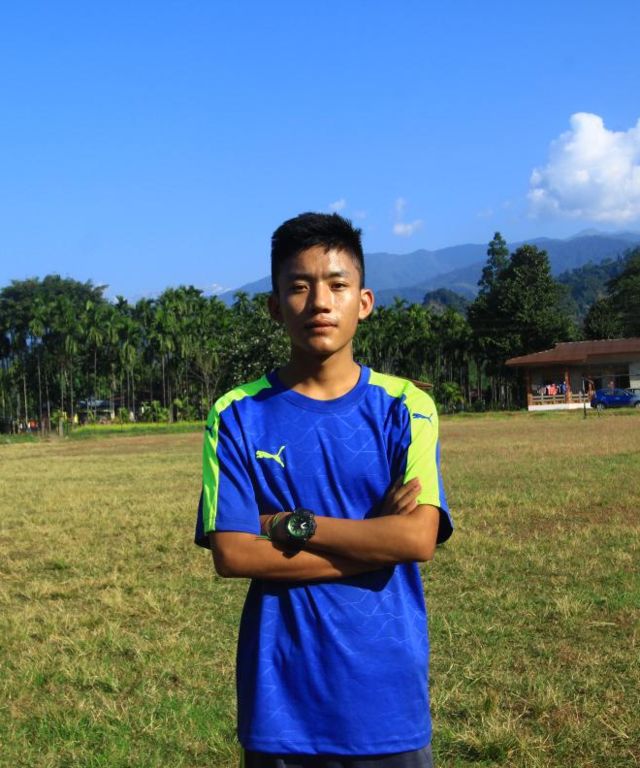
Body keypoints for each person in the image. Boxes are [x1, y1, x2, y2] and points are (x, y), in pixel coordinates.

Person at [195, 212, 453, 768]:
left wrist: (288, 524)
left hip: (387, 699)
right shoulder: (236, 415)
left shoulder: (406, 407)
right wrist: (376, 543)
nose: (319, 302)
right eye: (299, 286)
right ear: (274, 306)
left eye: (337, 285)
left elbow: (417, 540)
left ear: (364, 301)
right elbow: (234, 554)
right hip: (281, 705)